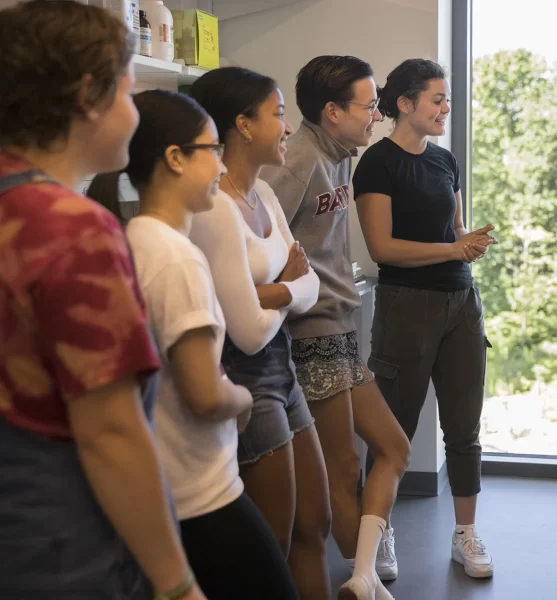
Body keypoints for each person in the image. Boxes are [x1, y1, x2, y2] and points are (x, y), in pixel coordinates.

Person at [0, 2, 203, 599]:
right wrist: (176, 583)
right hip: (59, 547)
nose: (135, 114)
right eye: (128, 92)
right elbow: (109, 431)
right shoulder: (71, 228)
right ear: (89, 94)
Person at [87, 89, 300, 599]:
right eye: (213, 150)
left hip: (172, 486)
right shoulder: (177, 258)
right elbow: (206, 394)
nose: (222, 164)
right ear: (175, 159)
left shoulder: (134, 237)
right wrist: (243, 398)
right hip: (203, 493)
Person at [261, 55, 410, 600]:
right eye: (369, 105)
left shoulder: (342, 155)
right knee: (342, 466)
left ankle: (364, 571)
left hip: (340, 326)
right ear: (332, 111)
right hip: (309, 331)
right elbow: (260, 246)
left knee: (394, 448)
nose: (376, 114)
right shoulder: (295, 160)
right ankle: (359, 576)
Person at [188, 67, 331, 599]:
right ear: (243, 125)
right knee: (272, 543)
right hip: (247, 379)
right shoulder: (216, 209)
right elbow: (244, 332)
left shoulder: (266, 198)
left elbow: (310, 282)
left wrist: (271, 293)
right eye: (277, 113)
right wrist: (284, 290)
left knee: (315, 523)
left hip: (284, 368)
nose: (288, 126)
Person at [353, 58, 497, 580]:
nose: (445, 108)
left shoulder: (445, 161)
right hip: (405, 306)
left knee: (465, 427)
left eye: (446, 100)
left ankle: (466, 535)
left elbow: (452, 229)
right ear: (406, 104)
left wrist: (468, 243)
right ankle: (379, 535)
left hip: (462, 303)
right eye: (437, 99)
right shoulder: (376, 163)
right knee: (394, 429)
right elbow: (382, 248)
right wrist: (452, 249)